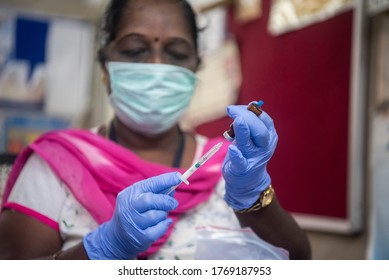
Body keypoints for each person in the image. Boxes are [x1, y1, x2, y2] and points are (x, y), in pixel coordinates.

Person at [0, 0, 311, 260]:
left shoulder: (232, 166)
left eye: (176, 54)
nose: (158, 66)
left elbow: (299, 261)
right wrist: (101, 250)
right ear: (106, 69)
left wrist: (253, 197)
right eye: (135, 50)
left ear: (194, 71)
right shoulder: (55, 163)